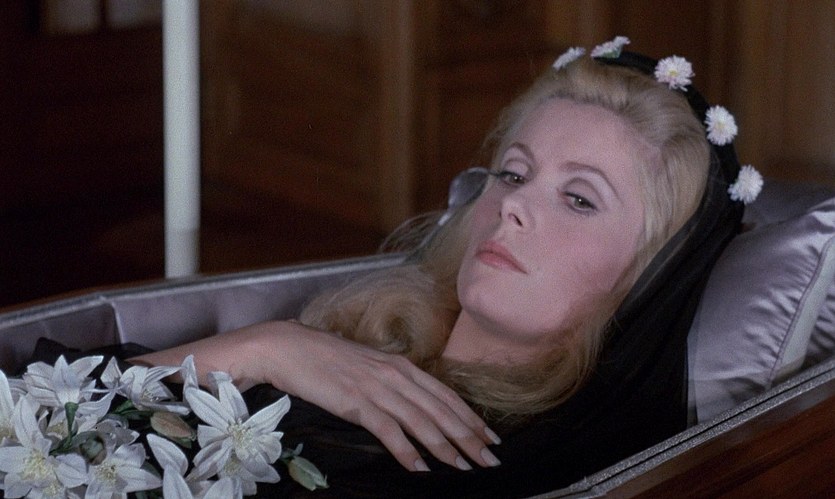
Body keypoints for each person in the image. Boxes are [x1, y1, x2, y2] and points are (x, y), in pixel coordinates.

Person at [67, 39, 760, 497]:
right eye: (512, 172)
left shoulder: (521, 462)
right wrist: (268, 348)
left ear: (650, 273)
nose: (513, 205)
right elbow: (43, 413)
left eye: (579, 198)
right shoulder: (353, 336)